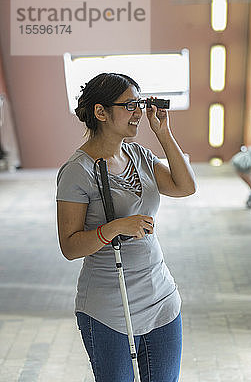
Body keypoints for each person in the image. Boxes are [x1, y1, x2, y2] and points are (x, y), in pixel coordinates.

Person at [56, 72, 196, 382]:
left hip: (161, 298)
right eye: (130, 105)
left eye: (140, 103)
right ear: (101, 112)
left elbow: (185, 187)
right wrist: (115, 227)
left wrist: (164, 134)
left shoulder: (140, 155)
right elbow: (69, 246)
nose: (138, 113)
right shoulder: (77, 171)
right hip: (108, 308)